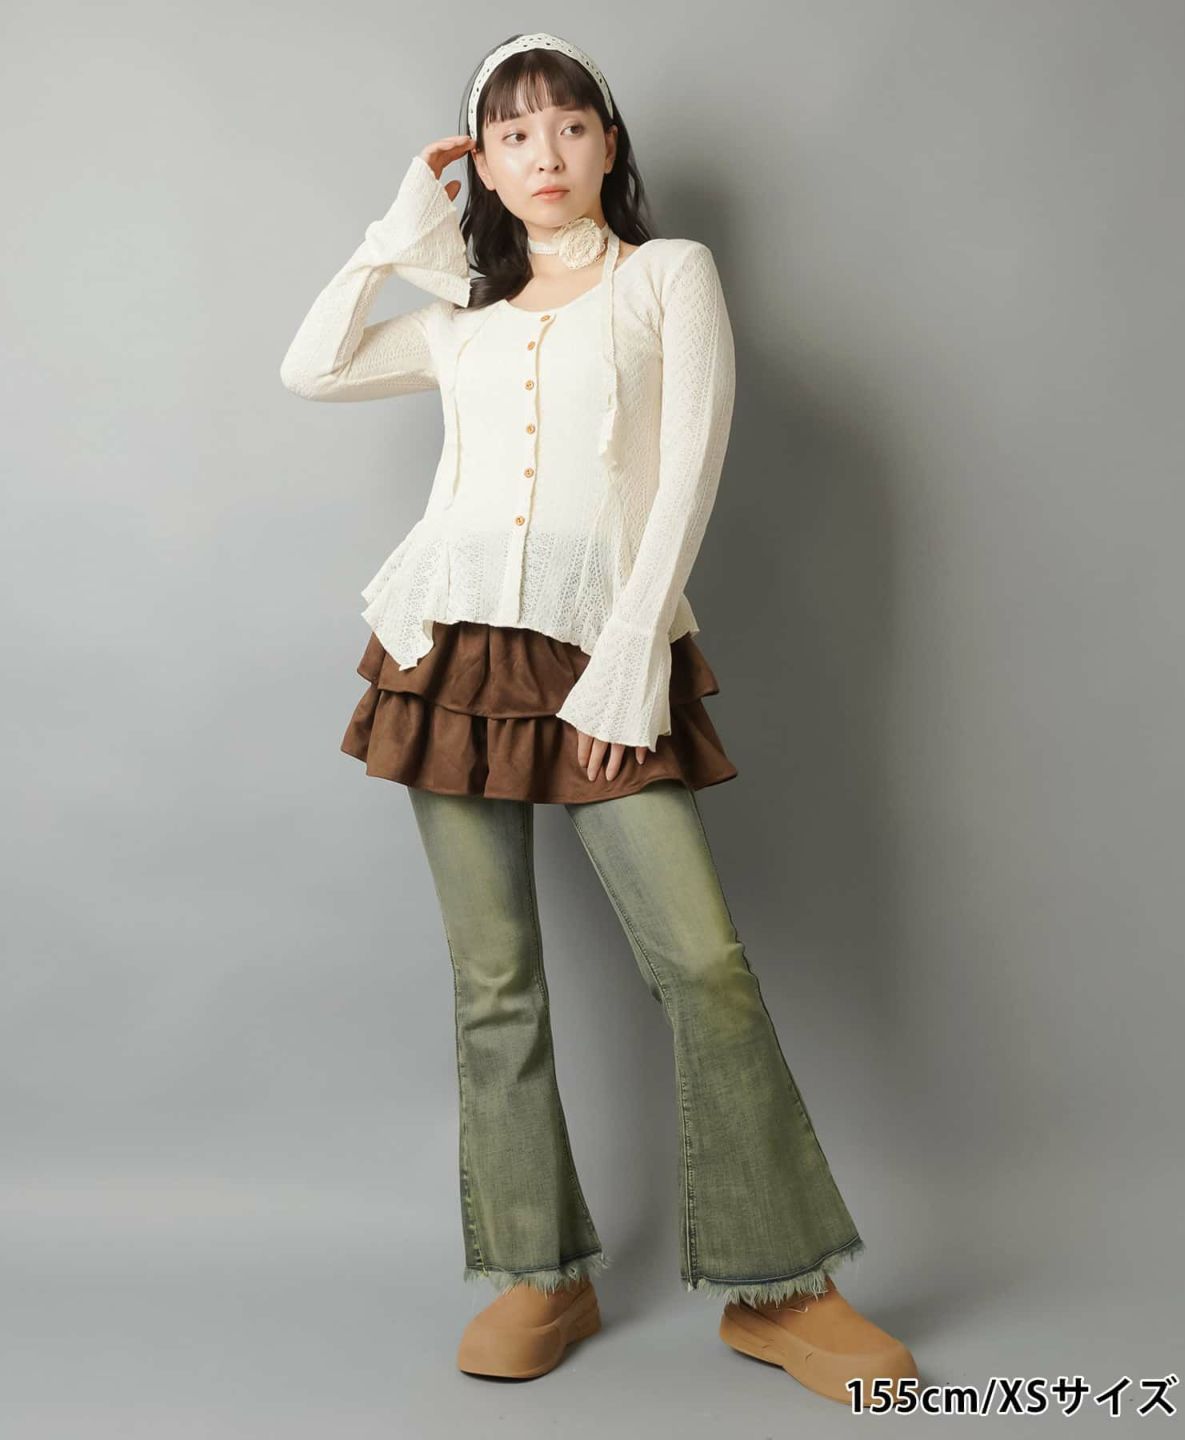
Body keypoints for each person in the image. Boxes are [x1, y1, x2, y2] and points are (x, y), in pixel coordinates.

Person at [280, 30, 918, 1405]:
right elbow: (311, 369)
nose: (545, 154)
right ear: (482, 165)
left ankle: (780, 1287)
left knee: (705, 966)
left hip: (603, 648)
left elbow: (690, 466)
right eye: (511, 134)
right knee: (493, 980)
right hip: (445, 654)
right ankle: (539, 1273)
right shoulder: (463, 322)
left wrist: (631, 653)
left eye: (569, 125)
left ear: (608, 144)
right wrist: (393, 237)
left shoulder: (666, 277)